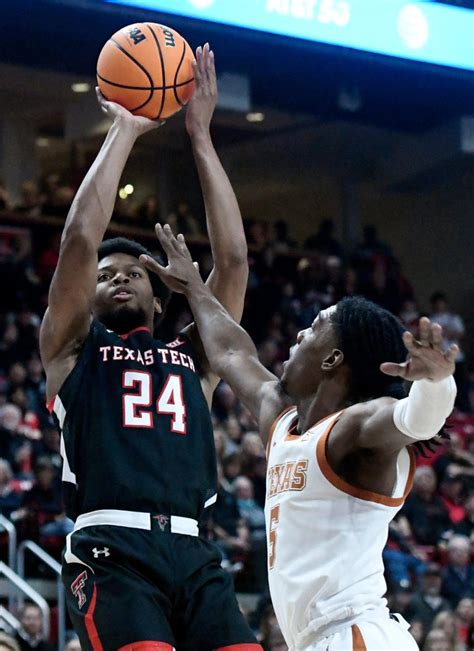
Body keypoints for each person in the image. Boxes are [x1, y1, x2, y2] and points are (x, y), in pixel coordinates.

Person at [39, 45, 261, 651]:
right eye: (107, 274)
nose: (119, 276)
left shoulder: (194, 355)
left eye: (134, 271)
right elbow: (81, 238)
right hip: (112, 550)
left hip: (196, 550)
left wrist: (201, 136)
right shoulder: (72, 348)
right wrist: (125, 129)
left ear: (160, 299)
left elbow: (235, 261)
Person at [142, 227, 459, 650]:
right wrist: (194, 289)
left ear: (332, 358)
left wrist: (437, 382)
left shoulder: (355, 429)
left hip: (356, 636)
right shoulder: (282, 422)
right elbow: (232, 353)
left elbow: (415, 419)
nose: (298, 335)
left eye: (312, 329)